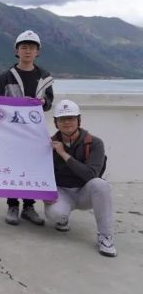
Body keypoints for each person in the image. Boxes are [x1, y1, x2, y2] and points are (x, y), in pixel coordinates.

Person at [0, 30, 54, 226]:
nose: (28, 51)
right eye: (24, 47)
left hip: (35, 132)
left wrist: (43, 102)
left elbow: (49, 102)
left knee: (32, 168)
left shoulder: (44, 76)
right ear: (16, 51)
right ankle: (12, 205)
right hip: (11, 132)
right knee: (12, 167)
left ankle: (29, 206)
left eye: (32, 48)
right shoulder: (6, 76)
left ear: (38, 51)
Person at [44, 100, 116, 257]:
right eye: (62, 119)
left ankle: (105, 236)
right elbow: (41, 173)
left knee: (100, 185)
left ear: (79, 120)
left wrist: (63, 153)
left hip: (85, 192)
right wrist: (45, 194)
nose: (67, 122)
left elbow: (90, 174)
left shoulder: (95, 143)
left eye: (71, 118)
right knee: (55, 215)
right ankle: (63, 219)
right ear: (56, 123)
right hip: (62, 191)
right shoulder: (49, 144)